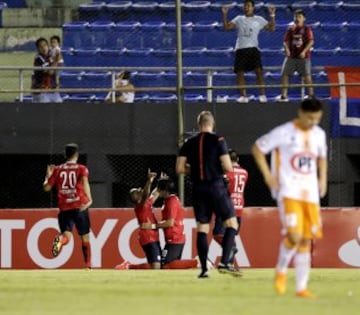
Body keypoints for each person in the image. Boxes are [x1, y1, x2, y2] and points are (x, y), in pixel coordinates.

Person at [251, 98, 327, 298]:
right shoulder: (284, 132)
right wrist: (268, 176)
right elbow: (258, 148)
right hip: (288, 191)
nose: (313, 122)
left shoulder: (319, 135)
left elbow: (322, 157)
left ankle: (301, 288)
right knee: (294, 236)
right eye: (310, 117)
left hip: (310, 193)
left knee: (306, 239)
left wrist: (323, 179)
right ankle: (281, 270)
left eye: (317, 119)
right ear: (300, 112)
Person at [176, 110, 241, 278]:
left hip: (198, 188)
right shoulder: (218, 140)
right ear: (212, 123)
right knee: (232, 223)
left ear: (199, 124)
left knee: (202, 228)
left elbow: (180, 168)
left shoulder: (189, 143)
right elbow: (228, 167)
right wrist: (213, 169)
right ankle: (225, 262)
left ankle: (204, 269)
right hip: (216, 187)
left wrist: (197, 170)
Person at [116, 174, 198, 270]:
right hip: (148, 238)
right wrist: (149, 181)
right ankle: (128, 266)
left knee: (159, 266)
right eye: (137, 191)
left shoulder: (147, 202)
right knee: (157, 266)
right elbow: (147, 194)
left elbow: (156, 192)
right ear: (137, 199)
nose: (139, 189)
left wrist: (162, 182)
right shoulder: (140, 206)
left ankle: (128, 266)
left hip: (154, 238)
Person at [43, 143, 93, 268]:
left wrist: (48, 175)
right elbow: (85, 183)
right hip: (79, 206)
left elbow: (47, 188)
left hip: (64, 208)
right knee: (85, 237)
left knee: (66, 235)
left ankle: (60, 241)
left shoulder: (57, 169)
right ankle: (87, 265)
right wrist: (90, 199)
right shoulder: (82, 168)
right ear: (76, 155)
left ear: (65, 155)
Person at [222, 0, 276, 103]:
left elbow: (271, 28)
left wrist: (272, 15)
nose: (246, 7)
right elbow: (226, 27)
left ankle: (262, 95)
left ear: (253, 7)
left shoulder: (259, 19)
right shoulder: (238, 18)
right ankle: (243, 96)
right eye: (245, 6)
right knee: (240, 72)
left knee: (259, 72)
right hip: (240, 49)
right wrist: (224, 14)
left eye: (248, 6)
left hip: (253, 49)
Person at [213, 149, 248, 267]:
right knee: (231, 235)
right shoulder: (245, 172)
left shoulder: (227, 173)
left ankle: (231, 249)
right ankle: (229, 264)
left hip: (227, 207)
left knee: (218, 234)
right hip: (239, 207)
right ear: (237, 159)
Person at [275, 9, 314, 102]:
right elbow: (285, 41)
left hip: (303, 57)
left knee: (307, 75)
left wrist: (304, 51)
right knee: (284, 74)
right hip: (291, 56)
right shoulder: (291, 29)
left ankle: (311, 95)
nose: (297, 18)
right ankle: (284, 96)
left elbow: (311, 41)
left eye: (299, 17)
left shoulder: (307, 29)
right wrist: (287, 50)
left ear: (304, 18)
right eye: (295, 16)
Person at [32, 37, 62, 103]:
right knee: (45, 111)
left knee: (60, 109)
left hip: (53, 91)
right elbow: (50, 72)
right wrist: (56, 60)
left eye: (45, 45)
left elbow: (58, 69)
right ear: (38, 49)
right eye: (41, 46)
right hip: (42, 92)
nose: (44, 48)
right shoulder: (38, 59)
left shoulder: (50, 57)